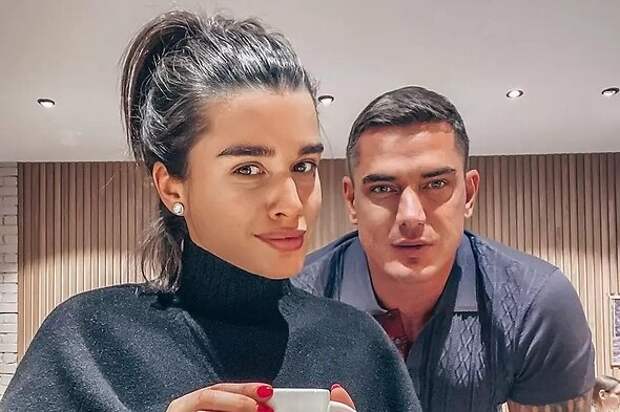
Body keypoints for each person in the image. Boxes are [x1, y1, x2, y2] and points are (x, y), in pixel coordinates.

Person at [0, 12, 422, 412]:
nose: (292, 204)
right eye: (248, 169)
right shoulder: (86, 341)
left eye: (303, 166)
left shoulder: (359, 347)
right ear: (171, 185)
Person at [293, 85, 595, 411]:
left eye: (436, 184)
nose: (411, 216)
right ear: (352, 200)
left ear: (469, 193)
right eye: (382, 188)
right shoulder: (289, 300)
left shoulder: (534, 303)